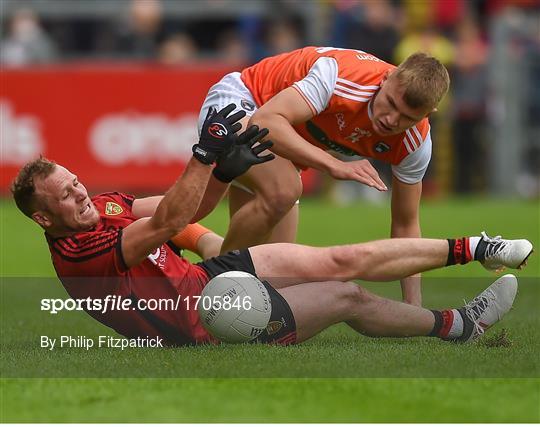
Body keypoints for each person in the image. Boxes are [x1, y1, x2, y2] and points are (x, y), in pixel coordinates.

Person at [12, 105, 533, 347]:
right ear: (43, 217)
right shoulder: (79, 254)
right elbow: (171, 218)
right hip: (210, 325)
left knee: (336, 259)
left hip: (209, 282)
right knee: (346, 295)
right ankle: (460, 325)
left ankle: (478, 246)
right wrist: (203, 154)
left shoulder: (102, 207)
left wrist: (219, 173)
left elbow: (184, 215)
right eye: (67, 196)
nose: (82, 195)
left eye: (76, 183)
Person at [197, 46, 450, 307]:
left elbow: (406, 225)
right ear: (386, 78)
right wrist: (333, 165)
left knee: (275, 278)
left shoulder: (415, 143)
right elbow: (265, 122)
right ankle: (215, 291)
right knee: (283, 191)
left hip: (279, 142)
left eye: (407, 117)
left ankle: (200, 251)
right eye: (391, 103)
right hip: (243, 102)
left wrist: (413, 306)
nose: (391, 119)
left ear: (427, 116)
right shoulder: (341, 77)